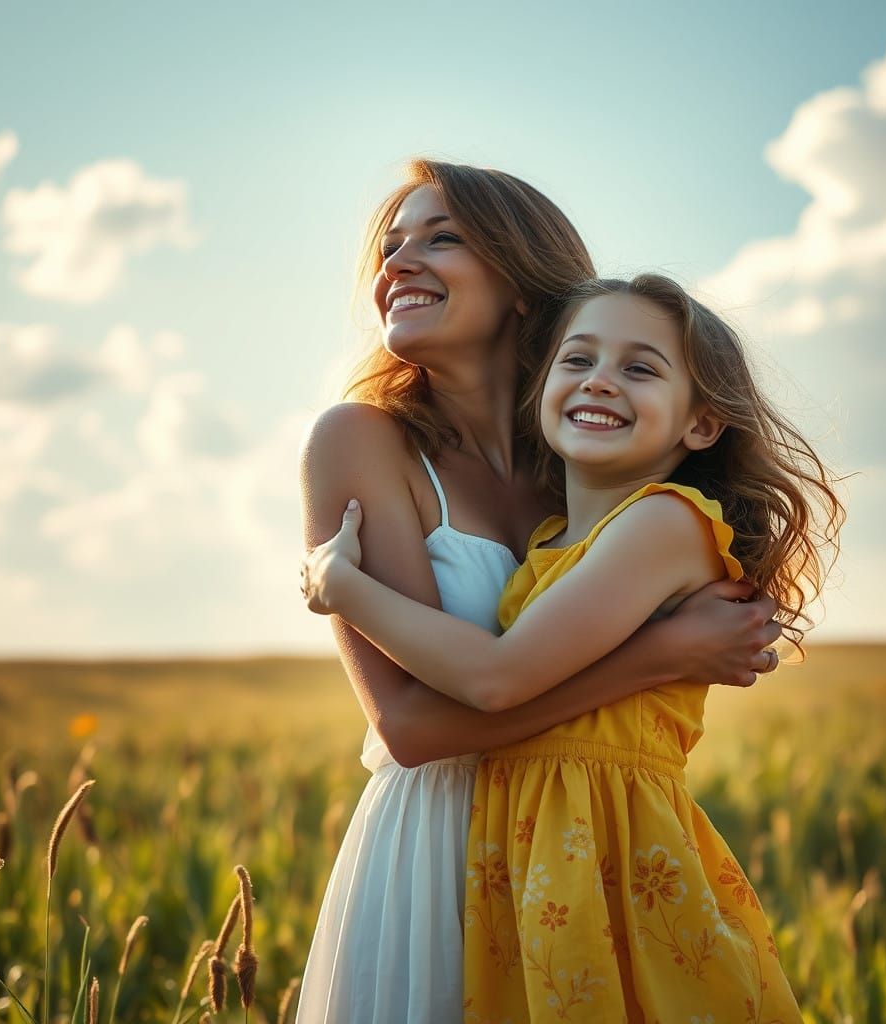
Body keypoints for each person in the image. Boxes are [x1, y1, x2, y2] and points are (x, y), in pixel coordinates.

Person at [296, 162, 784, 1024]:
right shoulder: (359, 440)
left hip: (568, 856)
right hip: (432, 852)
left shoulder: (588, 477)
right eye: (391, 245)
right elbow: (408, 727)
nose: (397, 263)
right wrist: (658, 656)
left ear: (522, 282)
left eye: (440, 238)